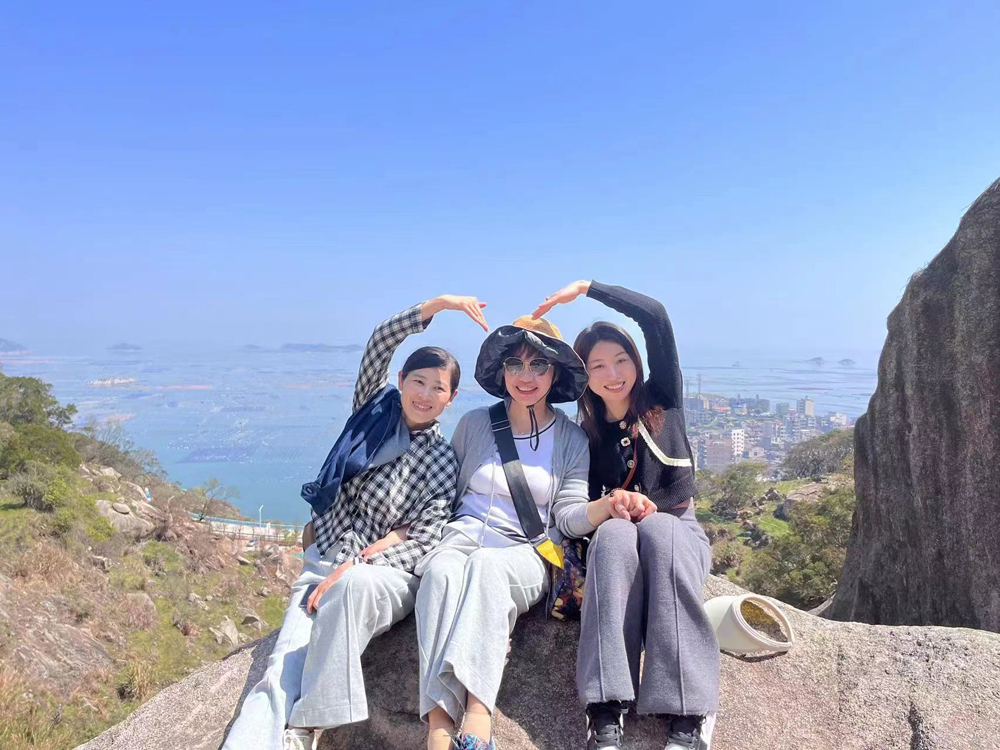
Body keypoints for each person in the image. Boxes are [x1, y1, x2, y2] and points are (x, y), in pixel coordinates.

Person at [222, 294, 486, 750]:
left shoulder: (442, 458)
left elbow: (425, 538)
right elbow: (380, 343)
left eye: (438, 388)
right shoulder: (371, 414)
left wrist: (359, 563)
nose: (425, 395)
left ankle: (305, 727)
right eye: (418, 381)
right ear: (400, 380)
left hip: (384, 576)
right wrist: (438, 305)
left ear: (451, 398)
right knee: (280, 669)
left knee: (351, 587)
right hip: (325, 558)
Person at [416, 316, 636, 750]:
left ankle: (478, 719)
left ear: (555, 373)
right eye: (515, 364)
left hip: (527, 552)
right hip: (459, 539)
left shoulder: (571, 439)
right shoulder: (474, 424)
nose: (526, 376)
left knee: (486, 567)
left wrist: (607, 506)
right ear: (502, 372)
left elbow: (568, 516)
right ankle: (438, 729)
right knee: (439, 574)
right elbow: (442, 493)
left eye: (539, 364)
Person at [534, 280, 720, 750]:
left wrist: (588, 289)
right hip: (618, 549)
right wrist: (614, 504)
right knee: (615, 535)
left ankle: (688, 710)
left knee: (659, 529)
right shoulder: (585, 435)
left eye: (621, 360)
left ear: (636, 362)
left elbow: (655, 316)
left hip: (677, 535)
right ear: (585, 376)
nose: (612, 374)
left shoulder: (663, 399)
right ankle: (605, 706)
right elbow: (574, 513)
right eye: (597, 366)